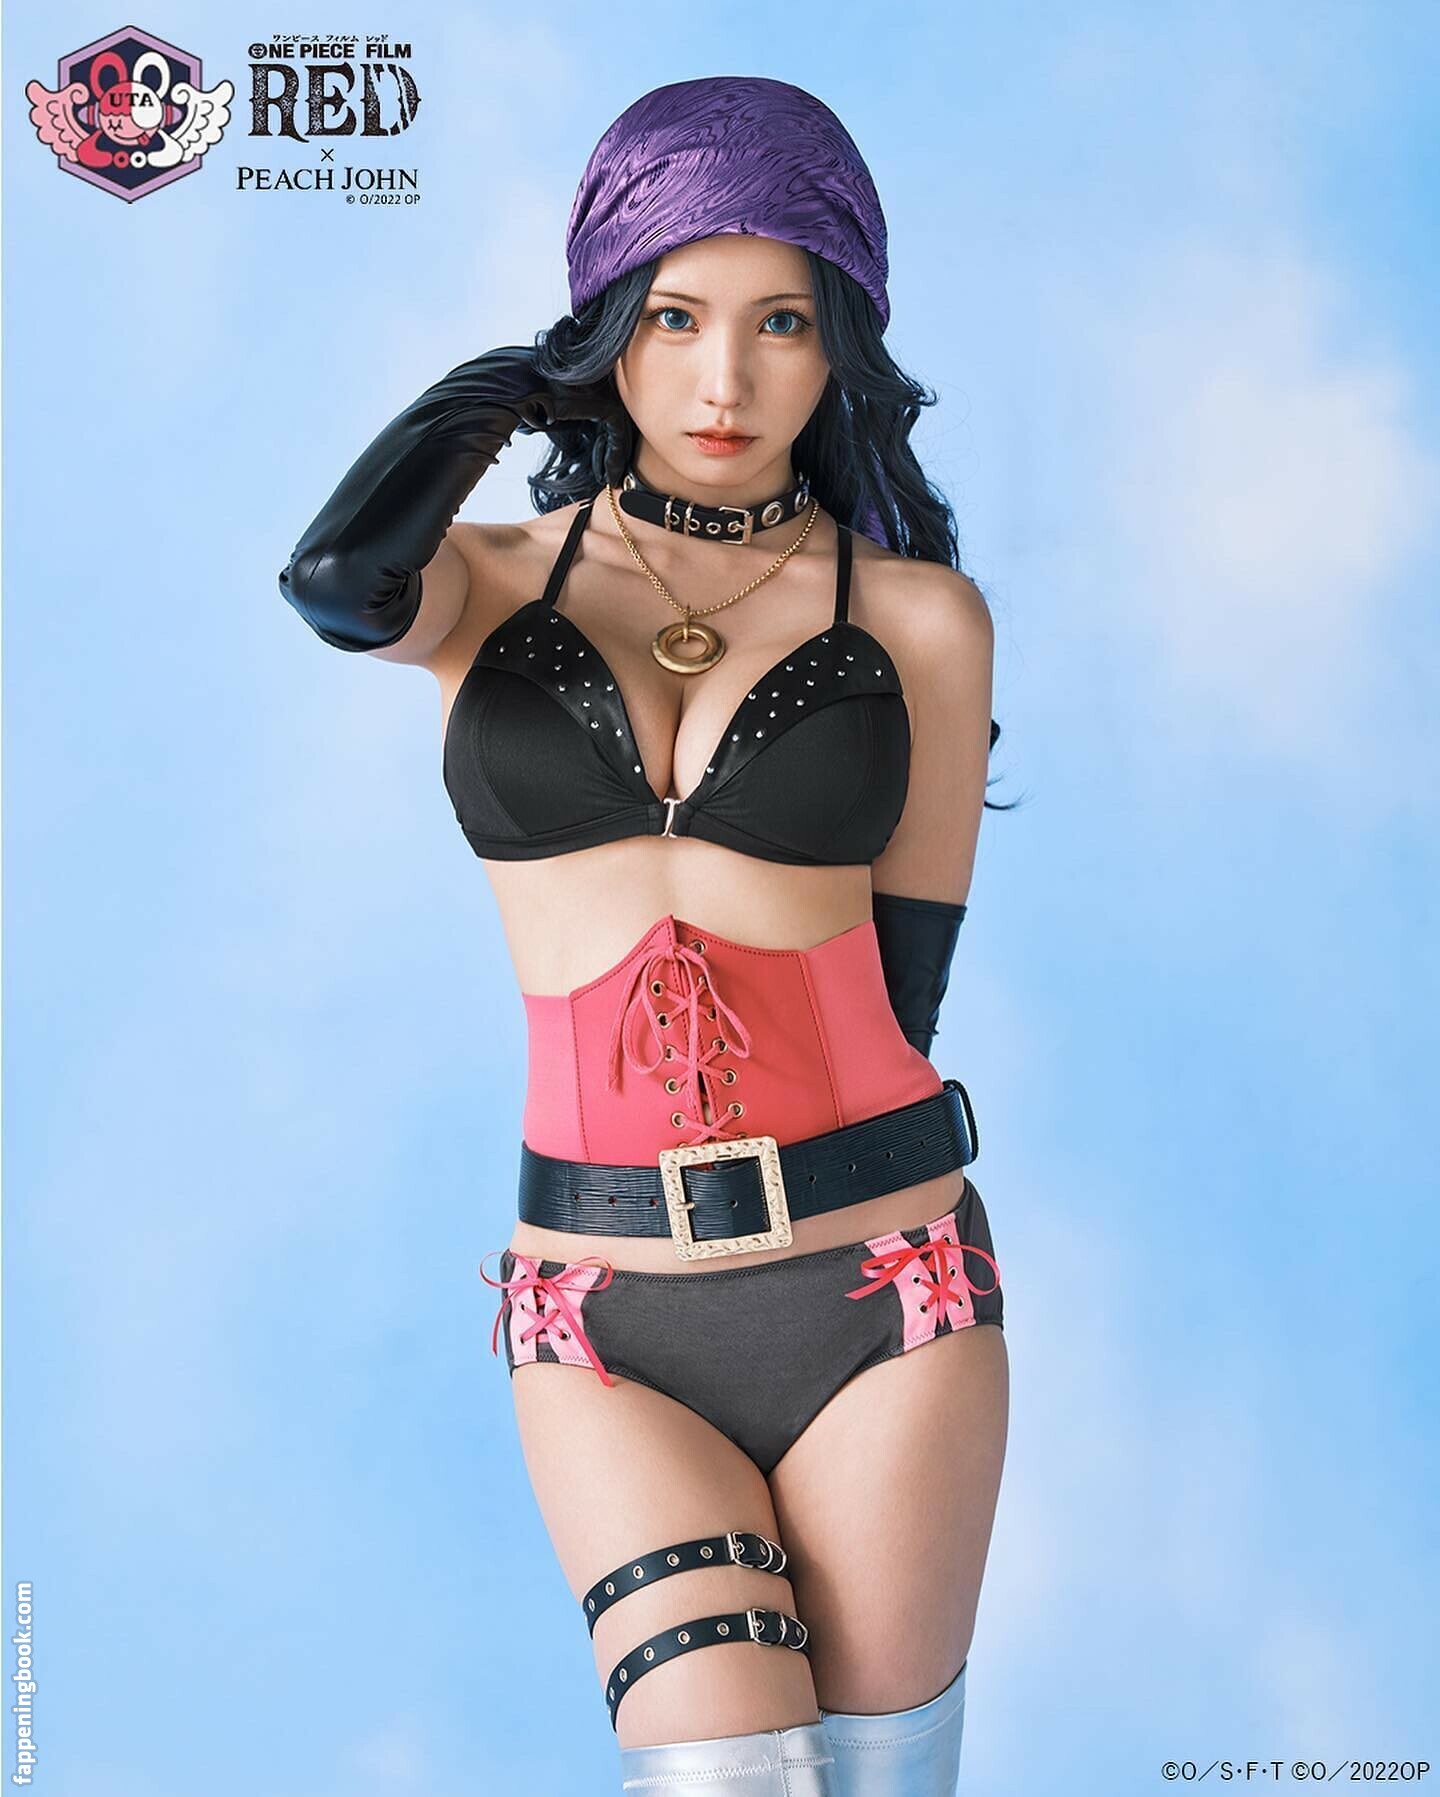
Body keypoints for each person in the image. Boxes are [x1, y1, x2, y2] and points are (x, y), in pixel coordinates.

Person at [278, 73, 1014, 1797]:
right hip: (603, 1312)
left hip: (882, 1288)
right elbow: (332, 582)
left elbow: (904, 991)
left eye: (781, 322)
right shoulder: (484, 582)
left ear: (842, 344)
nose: (723, 381)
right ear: (605, 325)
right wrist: (509, 383)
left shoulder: (920, 619)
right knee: (725, 1768)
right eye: (672, 316)